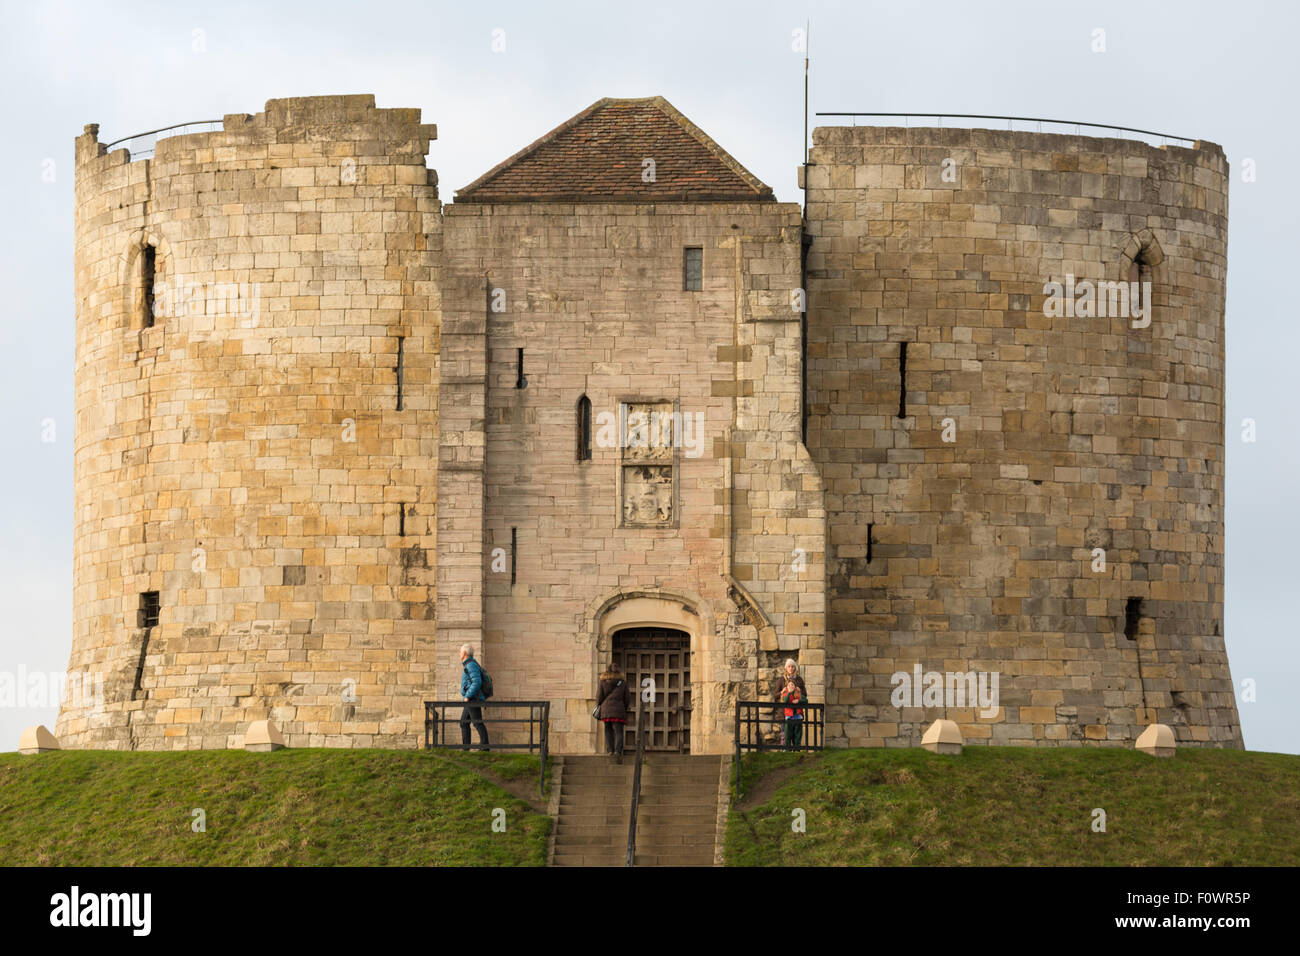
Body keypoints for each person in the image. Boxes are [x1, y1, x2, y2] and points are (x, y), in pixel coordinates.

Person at [596, 661, 633, 763]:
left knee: (608, 730)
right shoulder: (622, 682)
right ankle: (618, 751)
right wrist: (624, 707)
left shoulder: (603, 681)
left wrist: (599, 705)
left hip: (606, 709)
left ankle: (610, 750)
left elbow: (599, 696)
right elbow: (627, 698)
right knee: (619, 731)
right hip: (619, 710)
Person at [459, 644, 490, 751]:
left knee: (477, 722)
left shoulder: (471, 665)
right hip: (472, 698)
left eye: (460, 652)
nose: (459, 654)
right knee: (464, 722)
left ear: (464, 653)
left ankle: (485, 747)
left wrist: (467, 696)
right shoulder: (470, 664)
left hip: (473, 698)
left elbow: (477, 682)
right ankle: (466, 748)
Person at [773, 658, 808, 749]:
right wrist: (781, 692)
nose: (791, 668)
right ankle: (785, 752)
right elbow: (775, 695)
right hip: (784, 712)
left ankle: (796, 751)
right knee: (785, 734)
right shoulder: (781, 680)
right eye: (789, 666)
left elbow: (805, 695)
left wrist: (800, 692)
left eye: (793, 666)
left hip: (797, 712)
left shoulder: (799, 680)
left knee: (796, 733)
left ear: (795, 668)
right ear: (786, 668)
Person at [780, 678, 805, 751]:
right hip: (789, 717)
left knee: (797, 734)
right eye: (789, 685)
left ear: (795, 686)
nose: (791, 686)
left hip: (798, 717)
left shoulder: (798, 693)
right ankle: (788, 749)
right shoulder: (785, 694)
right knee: (788, 735)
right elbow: (785, 701)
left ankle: (797, 749)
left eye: (792, 685)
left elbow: (805, 700)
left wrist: (798, 701)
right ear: (787, 687)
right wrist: (790, 692)